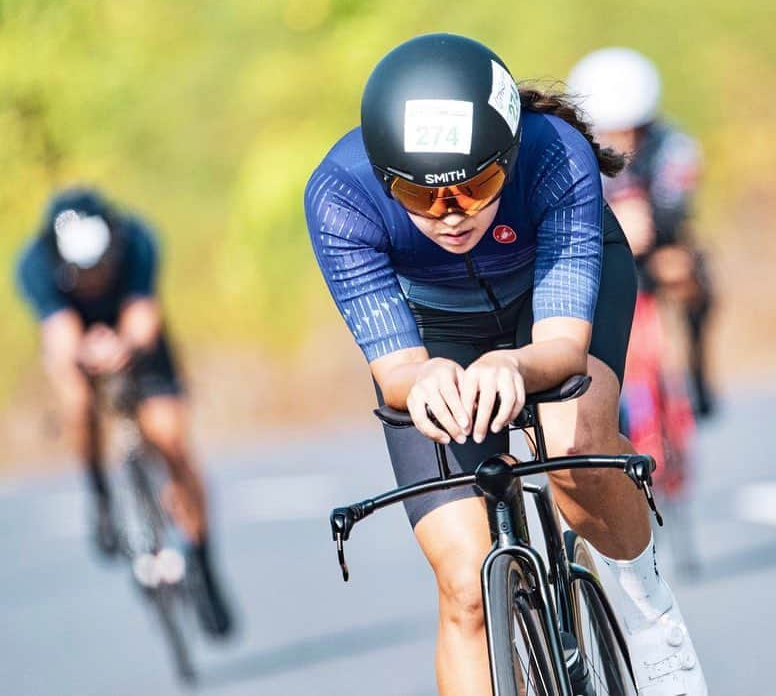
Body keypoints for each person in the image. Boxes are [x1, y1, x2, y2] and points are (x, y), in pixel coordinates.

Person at [306, 34, 708, 696]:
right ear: (383, 178)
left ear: (510, 156)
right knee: (465, 582)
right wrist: (429, 378)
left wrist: (513, 368)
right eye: (423, 195)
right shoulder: (339, 195)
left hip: (551, 298)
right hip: (440, 328)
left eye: (479, 183)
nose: (454, 214)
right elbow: (397, 367)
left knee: (573, 446)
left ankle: (647, 606)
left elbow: (560, 346)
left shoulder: (554, 154)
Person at [14, 187, 232, 637]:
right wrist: (84, 355)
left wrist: (126, 346)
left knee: (170, 438)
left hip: (131, 336)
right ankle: (100, 495)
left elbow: (143, 317)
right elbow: (59, 337)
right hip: (78, 339)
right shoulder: (35, 263)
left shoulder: (137, 240)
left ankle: (202, 559)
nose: (93, 278)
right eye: (81, 272)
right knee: (76, 402)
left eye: (101, 268)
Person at [568, 47, 717, 421]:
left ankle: (697, 366)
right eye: (612, 129)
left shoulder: (674, 145)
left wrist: (647, 224)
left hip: (654, 246)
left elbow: (674, 207)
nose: (624, 139)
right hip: (596, 248)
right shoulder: (569, 152)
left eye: (633, 127)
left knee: (689, 272)